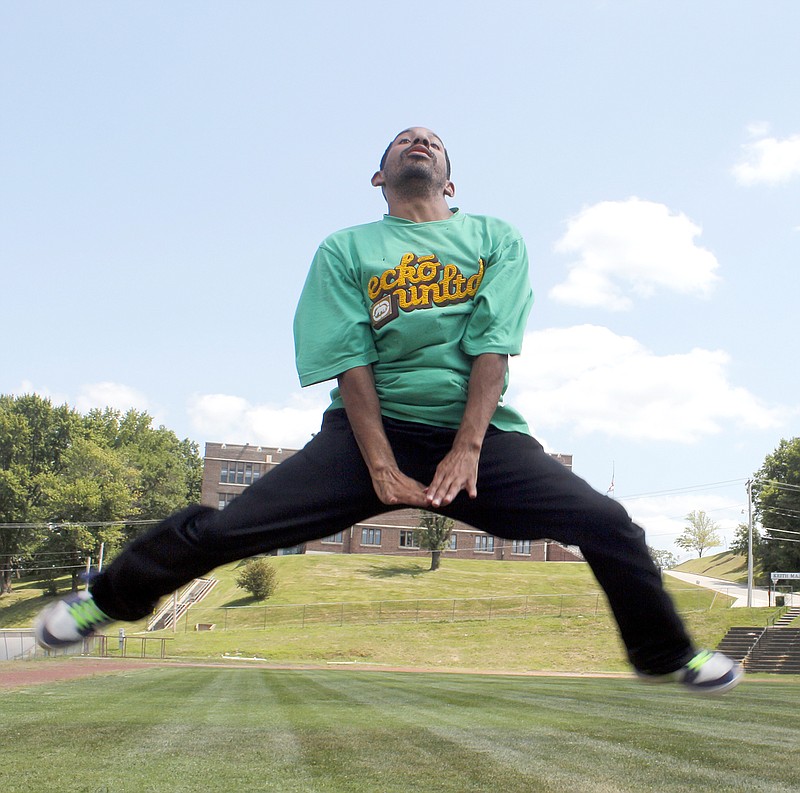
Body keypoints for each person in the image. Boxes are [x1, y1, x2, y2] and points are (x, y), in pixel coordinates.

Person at [36, 126, 742, 694]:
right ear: (379, 177)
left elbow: (493, 345)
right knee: (230, 526)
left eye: (431, 140)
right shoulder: (348, 249)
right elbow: (350, 360)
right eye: (403, 140)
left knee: (607, 521)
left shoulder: (494, 238)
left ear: (451, 180)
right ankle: (104, 601)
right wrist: (378, 463)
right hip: (366, 434)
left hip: (480, 435)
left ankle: (665, 653)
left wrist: (467, 447)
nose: (418, 141)